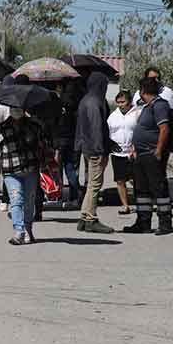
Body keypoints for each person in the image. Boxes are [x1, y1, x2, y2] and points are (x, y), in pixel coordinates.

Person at [0, 106, 45, 245]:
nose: (16, 112)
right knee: (16, 200)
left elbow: (43, 145)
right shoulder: (1, 128)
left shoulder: (34, 126)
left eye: (19, 109)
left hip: (30, 169)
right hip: (10, 170)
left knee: (29, 201)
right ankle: (19, 232)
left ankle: (28, 229)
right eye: (13, 109)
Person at [122, 77, 173, 235]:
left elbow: (164, 129)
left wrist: (158, 151)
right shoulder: (147, 106)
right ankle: (143, 222)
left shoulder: (159, 106)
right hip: (141, 154)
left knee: (158, 188)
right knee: (141, 189)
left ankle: (165, 223)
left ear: (143, 91)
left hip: (152, 154)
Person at [75, 72, 116, 234]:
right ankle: (91, 219)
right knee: (95, 185)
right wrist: (100, 150)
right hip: (94, 149)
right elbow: (96, 128)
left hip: (87, 147)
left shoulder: (87, 99)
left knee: (91, 184)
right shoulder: (94, 102)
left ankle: (84, 217)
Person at [107, 90, 139, 215]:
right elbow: (108, 131)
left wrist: (136, 147)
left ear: (129, 102)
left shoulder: (136, 113)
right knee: (120, 180)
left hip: (133, 153)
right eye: (118, 102)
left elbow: (140, 131)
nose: (120, 105)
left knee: (136, 179)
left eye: (123, 102)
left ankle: (140, 203)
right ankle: (125, 205)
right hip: (117, 153)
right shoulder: (113, 116)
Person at [56, 80, 83, 206]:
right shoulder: (76, 103)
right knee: (71, 168)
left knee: (58, 169)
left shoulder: (58, 103)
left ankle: (58, 195)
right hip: (72, 140)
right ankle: (74, 195)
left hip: (59, 141)